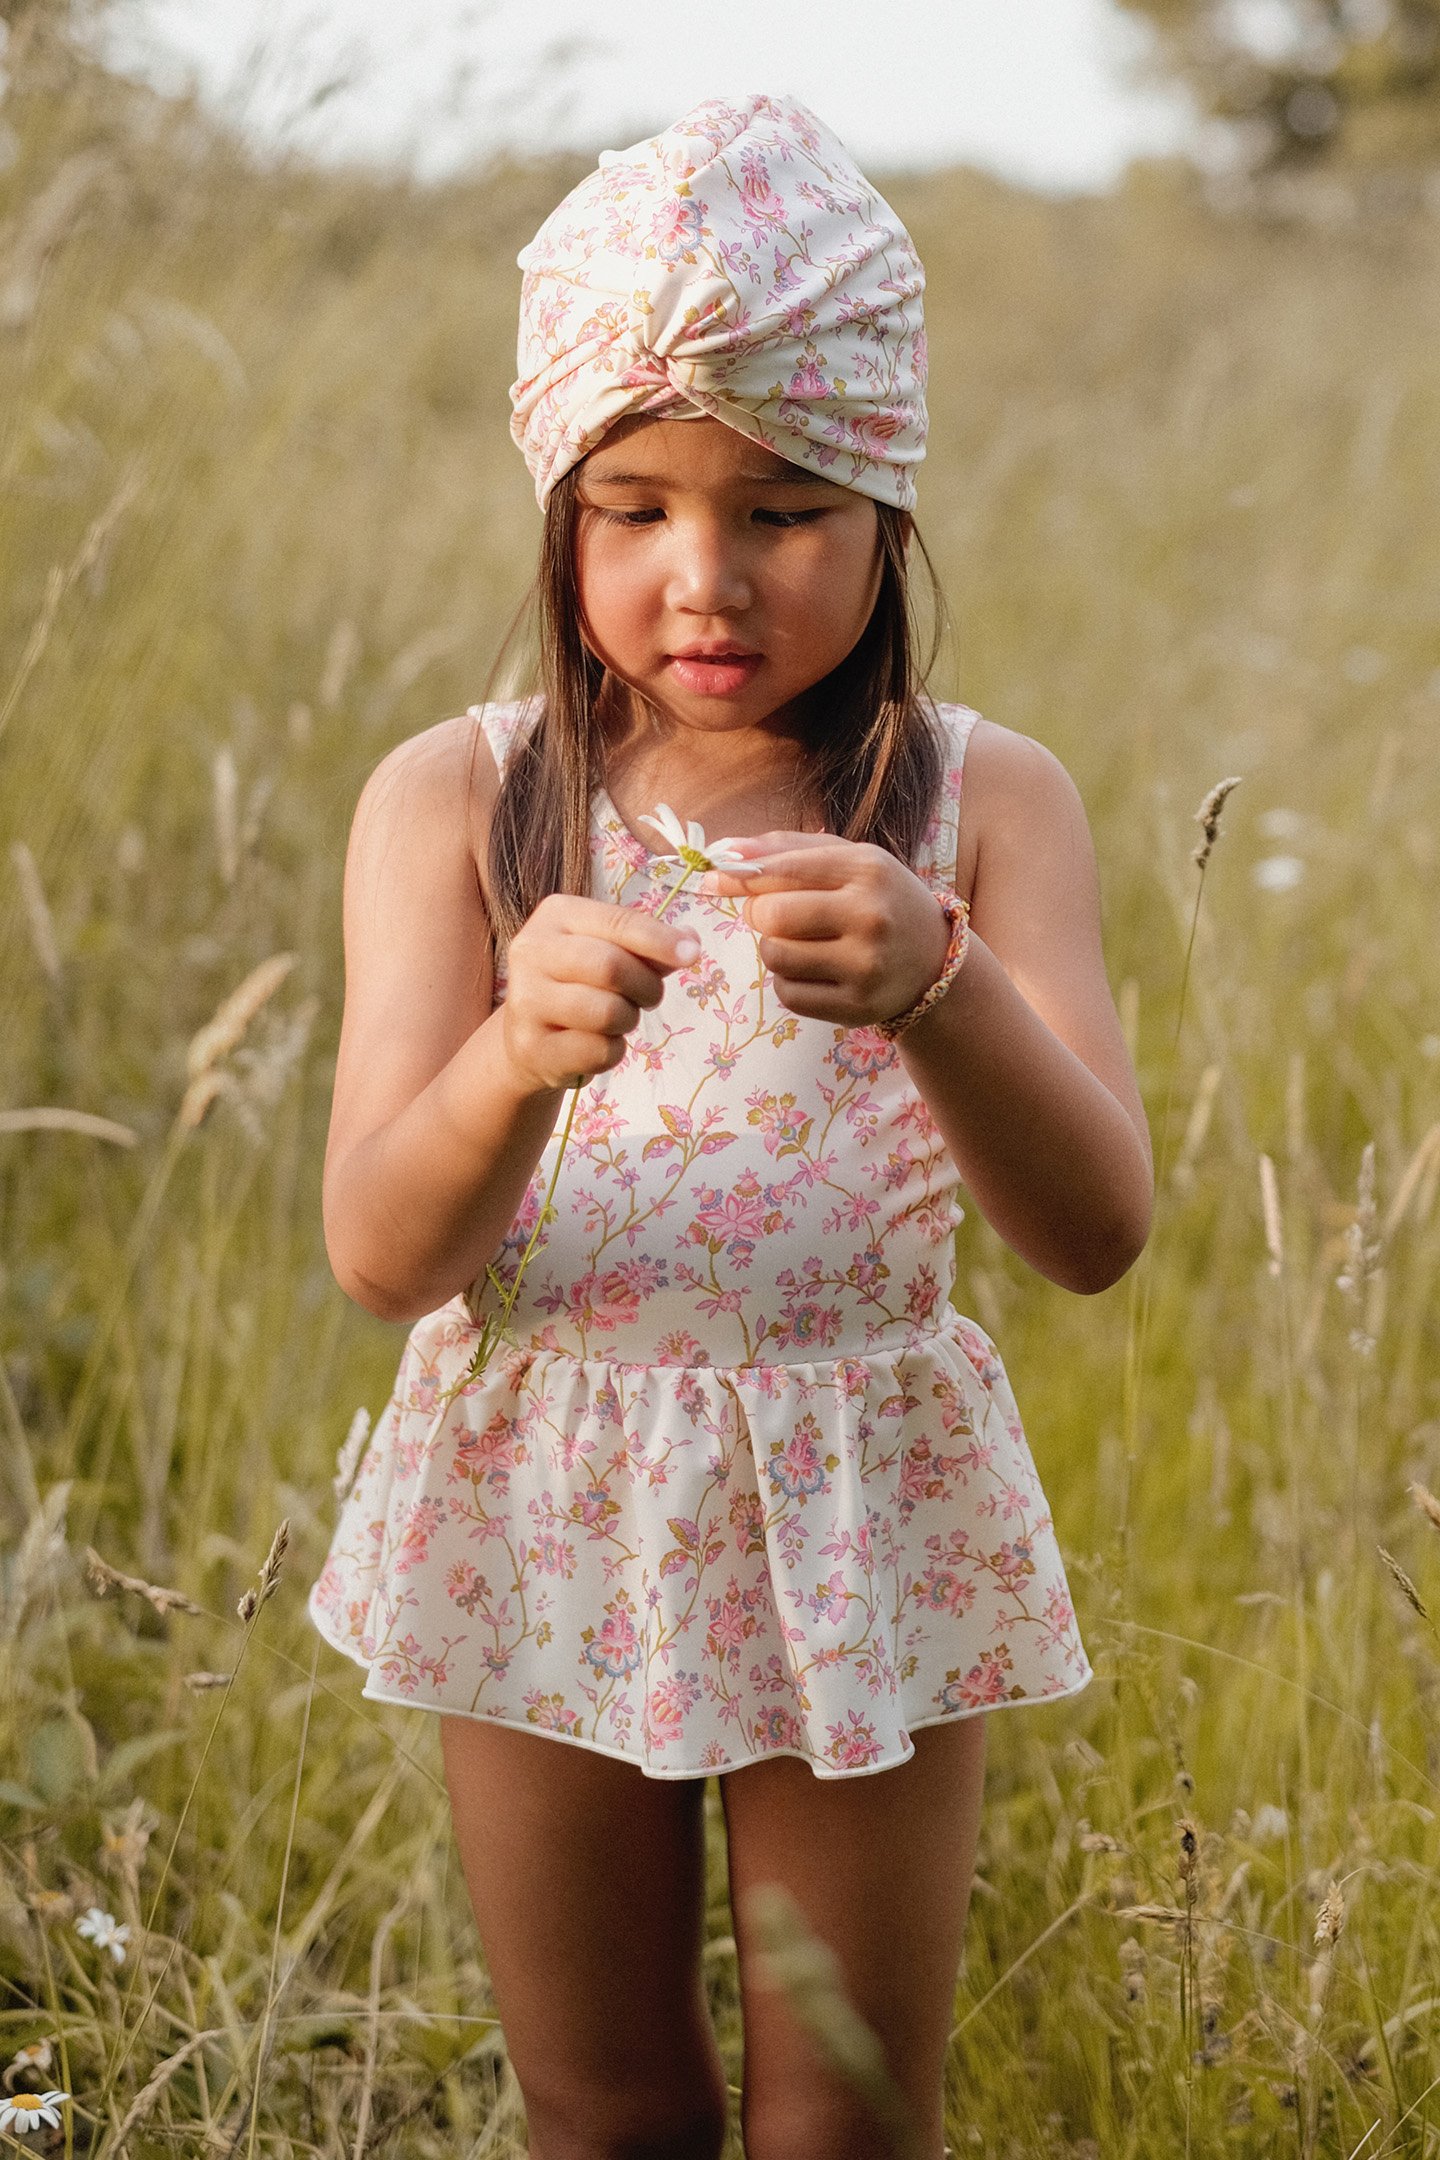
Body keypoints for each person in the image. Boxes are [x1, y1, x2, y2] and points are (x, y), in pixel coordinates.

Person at [309, 91, 1153, 2160]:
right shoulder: (464, 802)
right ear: (560, 512)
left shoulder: (983, 805)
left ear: (888, 505)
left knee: (845, 2118)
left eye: (784, 505)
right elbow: (383, 1252)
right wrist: (513, 1055)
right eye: (635, 507)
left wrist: (943, 987)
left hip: (863, 1493)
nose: (708, 573)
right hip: (547, 1492)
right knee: (600, 2105)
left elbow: (1097, 1227)